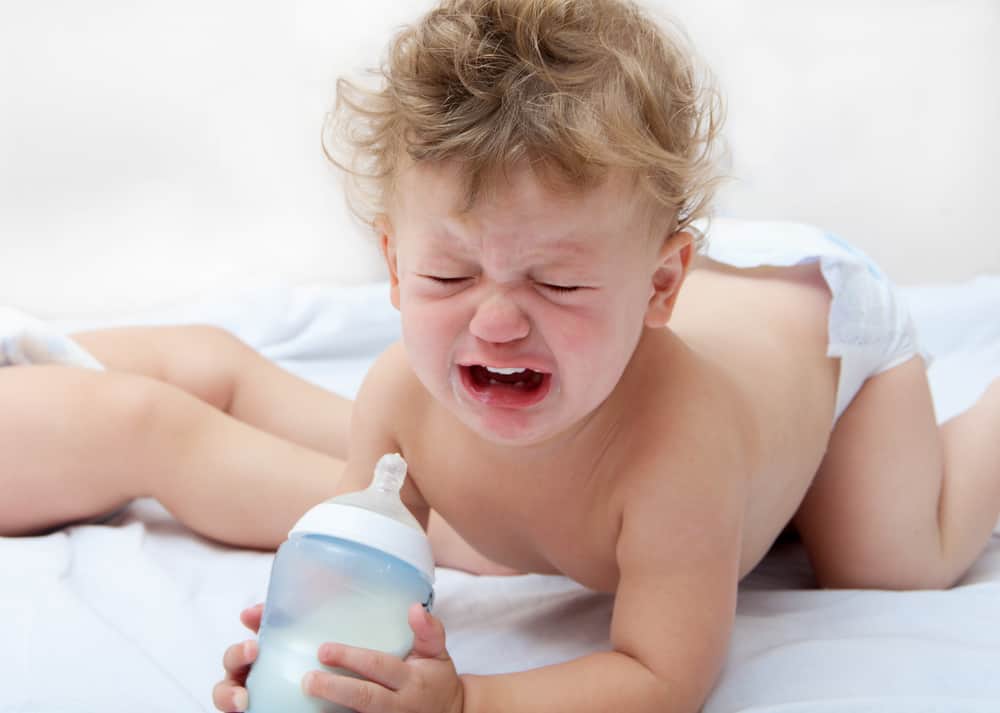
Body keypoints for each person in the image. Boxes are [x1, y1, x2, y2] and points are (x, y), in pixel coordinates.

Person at [2, 1, 998, 712]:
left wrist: (465, 700)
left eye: (553, 288)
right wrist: (312, 660)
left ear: (660, 287)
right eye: (446, 277)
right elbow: (355, 568)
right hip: (706, 289)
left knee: (890, 560)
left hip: (821, 329)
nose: (496, 324)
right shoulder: (399, 396)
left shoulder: (675, 448)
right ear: (392, 265)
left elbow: (661, 675)